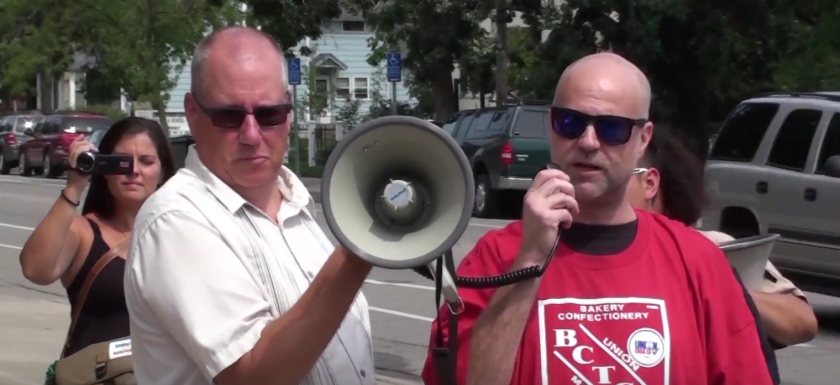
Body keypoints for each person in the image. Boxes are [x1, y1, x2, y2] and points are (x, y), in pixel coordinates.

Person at [421, 53, 774, 385]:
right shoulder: (497, 256)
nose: (588, 142)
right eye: (571, 123)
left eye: (612, 128)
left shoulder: (696, 261)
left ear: (643, 139)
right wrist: (529, 260)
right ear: (551, 125)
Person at [124, 26, 376, 385]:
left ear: (289, 113)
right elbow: (253, 374)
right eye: (230, 116)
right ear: (193, 112)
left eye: (270, 114)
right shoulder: (175, 218)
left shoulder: (296, 202)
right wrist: (357, 253)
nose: (252, 135)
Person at [626, 125, 818, 348]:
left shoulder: (710, 247)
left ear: (651, 183)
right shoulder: (580, 250)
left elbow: (802, 322)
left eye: (621, 175)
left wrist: (717, 287)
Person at [19, 117, 175, 356]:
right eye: (121, 162)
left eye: (146, 161)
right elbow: (36, 270)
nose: (133, 171)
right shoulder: (84, 232)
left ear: (162, 171)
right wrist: (74, 186)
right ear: (104, 168)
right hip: (98, 376)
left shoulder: (179, 234)